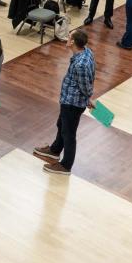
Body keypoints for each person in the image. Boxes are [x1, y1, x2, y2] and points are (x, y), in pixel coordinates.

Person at [33, 30, 95, 175]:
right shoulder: (86, 52)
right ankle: (54, 150)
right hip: (68, 99)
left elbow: (85, 85)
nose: (67, 38)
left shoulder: (81, 64)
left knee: (69, 134)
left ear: (73, 42)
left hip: (73, 103)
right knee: (61, 125)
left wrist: (88, 98)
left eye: (69, 36)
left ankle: (66, 165)